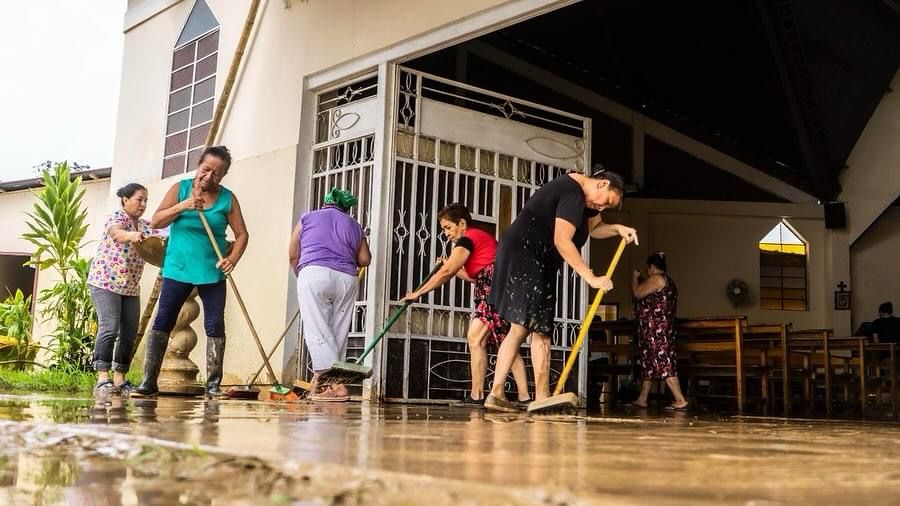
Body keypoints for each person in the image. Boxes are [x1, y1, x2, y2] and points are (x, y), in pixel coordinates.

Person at [484, 166, 638, 413]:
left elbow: (595, 228)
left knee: (521, 328)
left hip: (522, 253)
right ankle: (542, 396)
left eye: (606, 208)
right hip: (529, 256)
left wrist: (618, 229)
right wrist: (591, 277)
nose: (601, 208)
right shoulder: (573, 193)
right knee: (540, 329)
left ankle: (496, 393)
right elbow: (562, 240)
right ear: (602, 184)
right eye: (605, 202)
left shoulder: (585, 201)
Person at [134, 145, 249, 398]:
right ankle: (148, 382)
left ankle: (213, 385)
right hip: (177, 269)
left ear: (223, 176)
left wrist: (233, 259)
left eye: (217, 174)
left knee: (215, 325)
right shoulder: (180, 189)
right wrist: (183, 206)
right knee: (163, 321)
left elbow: (242, 235)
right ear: (198, 165)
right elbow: (156, 221)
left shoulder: (228, 199)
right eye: (206, 169)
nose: (209, 176)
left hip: (212, 271)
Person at [401, 203, 531, 407]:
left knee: (476, 337)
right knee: (506, 342)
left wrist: (418, 293)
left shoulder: (468, 239)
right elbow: (471, 275)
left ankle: (477, 395)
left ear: (462, 223)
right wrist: (447, 266)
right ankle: (524, 398)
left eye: (447, 228)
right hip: (497, 288)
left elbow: (448, 272)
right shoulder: (476, 240)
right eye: (443, 229)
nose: (445, 234)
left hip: (495, 290)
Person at [289, 188, 371, 402]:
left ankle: (337, 384)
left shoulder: (307, 217)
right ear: (345, 208)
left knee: (317, 330)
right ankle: (324, 386)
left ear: (325, 204)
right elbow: (364, 259)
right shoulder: (354, 225)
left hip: (313, 273)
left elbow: (292, 254)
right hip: (346, 278)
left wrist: (303, 277)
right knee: (337, 333)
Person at [88, 183, 155, 396]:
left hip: (129, 287)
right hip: (105, 282)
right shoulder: (116, 217)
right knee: (109, 327)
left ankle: (120, 379)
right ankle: (102, 378)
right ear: (125, 200)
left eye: (145, 200)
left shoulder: (145, 226)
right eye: (139, 199)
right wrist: (132, 236)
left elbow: (163, 232)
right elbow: (117, 234)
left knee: (129, 333)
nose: (143, 204)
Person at [631, 251, 688, 410]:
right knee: (649, 363)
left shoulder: (656, 279)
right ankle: (642, 398)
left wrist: (635, 278)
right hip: (661, 328)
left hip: (656, 330)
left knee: (664, 362)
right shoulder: (670, 282)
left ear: (652, 267)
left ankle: (680, 399)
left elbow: (637, 293)